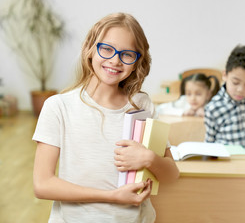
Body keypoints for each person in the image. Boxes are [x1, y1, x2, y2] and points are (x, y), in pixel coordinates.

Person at [32, 12, 179, 223]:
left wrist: (149, 158)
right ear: (90, 49)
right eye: (107, 49)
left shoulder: (142, 105)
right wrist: (111, 197)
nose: (115, 61)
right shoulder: (59, 107)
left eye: (127, 54)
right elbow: (42, 184)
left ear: (137, 61)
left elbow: (171, 175)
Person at [155, 73, 220, 117]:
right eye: (189, 94)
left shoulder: (212, 105)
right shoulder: (184, 100)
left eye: (198, 94)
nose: (193, 98)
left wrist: (207, 114)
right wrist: (182, 112)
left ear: (208, 94)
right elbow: (160, 109)